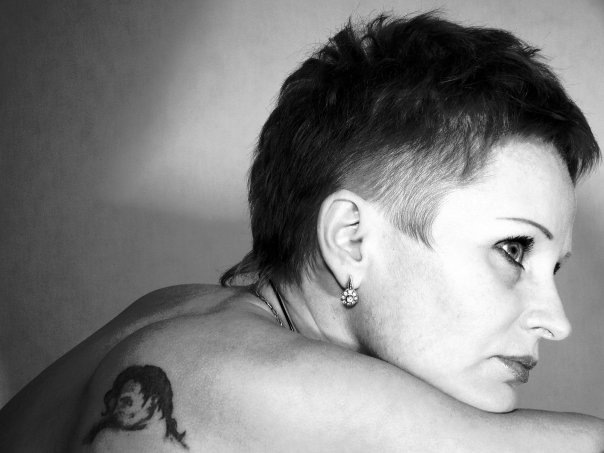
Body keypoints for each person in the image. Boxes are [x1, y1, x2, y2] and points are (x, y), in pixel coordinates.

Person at [1, 12, 603, 452]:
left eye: (552, 268)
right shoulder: (226, 376)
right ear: (351, 239)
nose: (556, 321)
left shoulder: (181, 312)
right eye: (513, 250)